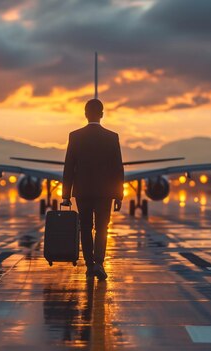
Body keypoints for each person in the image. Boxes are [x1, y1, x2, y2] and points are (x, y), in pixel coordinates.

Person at [61, 99, 124, 280]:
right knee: (102, 228)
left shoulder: (75, 136)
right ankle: (99, 263)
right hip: (105, 193)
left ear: (85, 114)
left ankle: (89, 265)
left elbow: (69, 167)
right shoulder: (112, 137)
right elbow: (117, 168)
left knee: (86, 227)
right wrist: (119, 195)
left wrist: (66, 195)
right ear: (102, 114)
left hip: (83, 191)